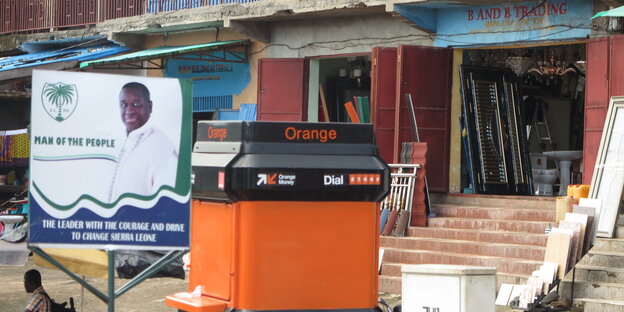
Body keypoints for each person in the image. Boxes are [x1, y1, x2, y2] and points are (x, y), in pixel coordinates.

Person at [108, 82, 179, 202]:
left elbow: (166, 205)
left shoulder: (163, 148)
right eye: (124, 104)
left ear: (149, 106)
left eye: (136, 104)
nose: (129, 110)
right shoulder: (121, 141)